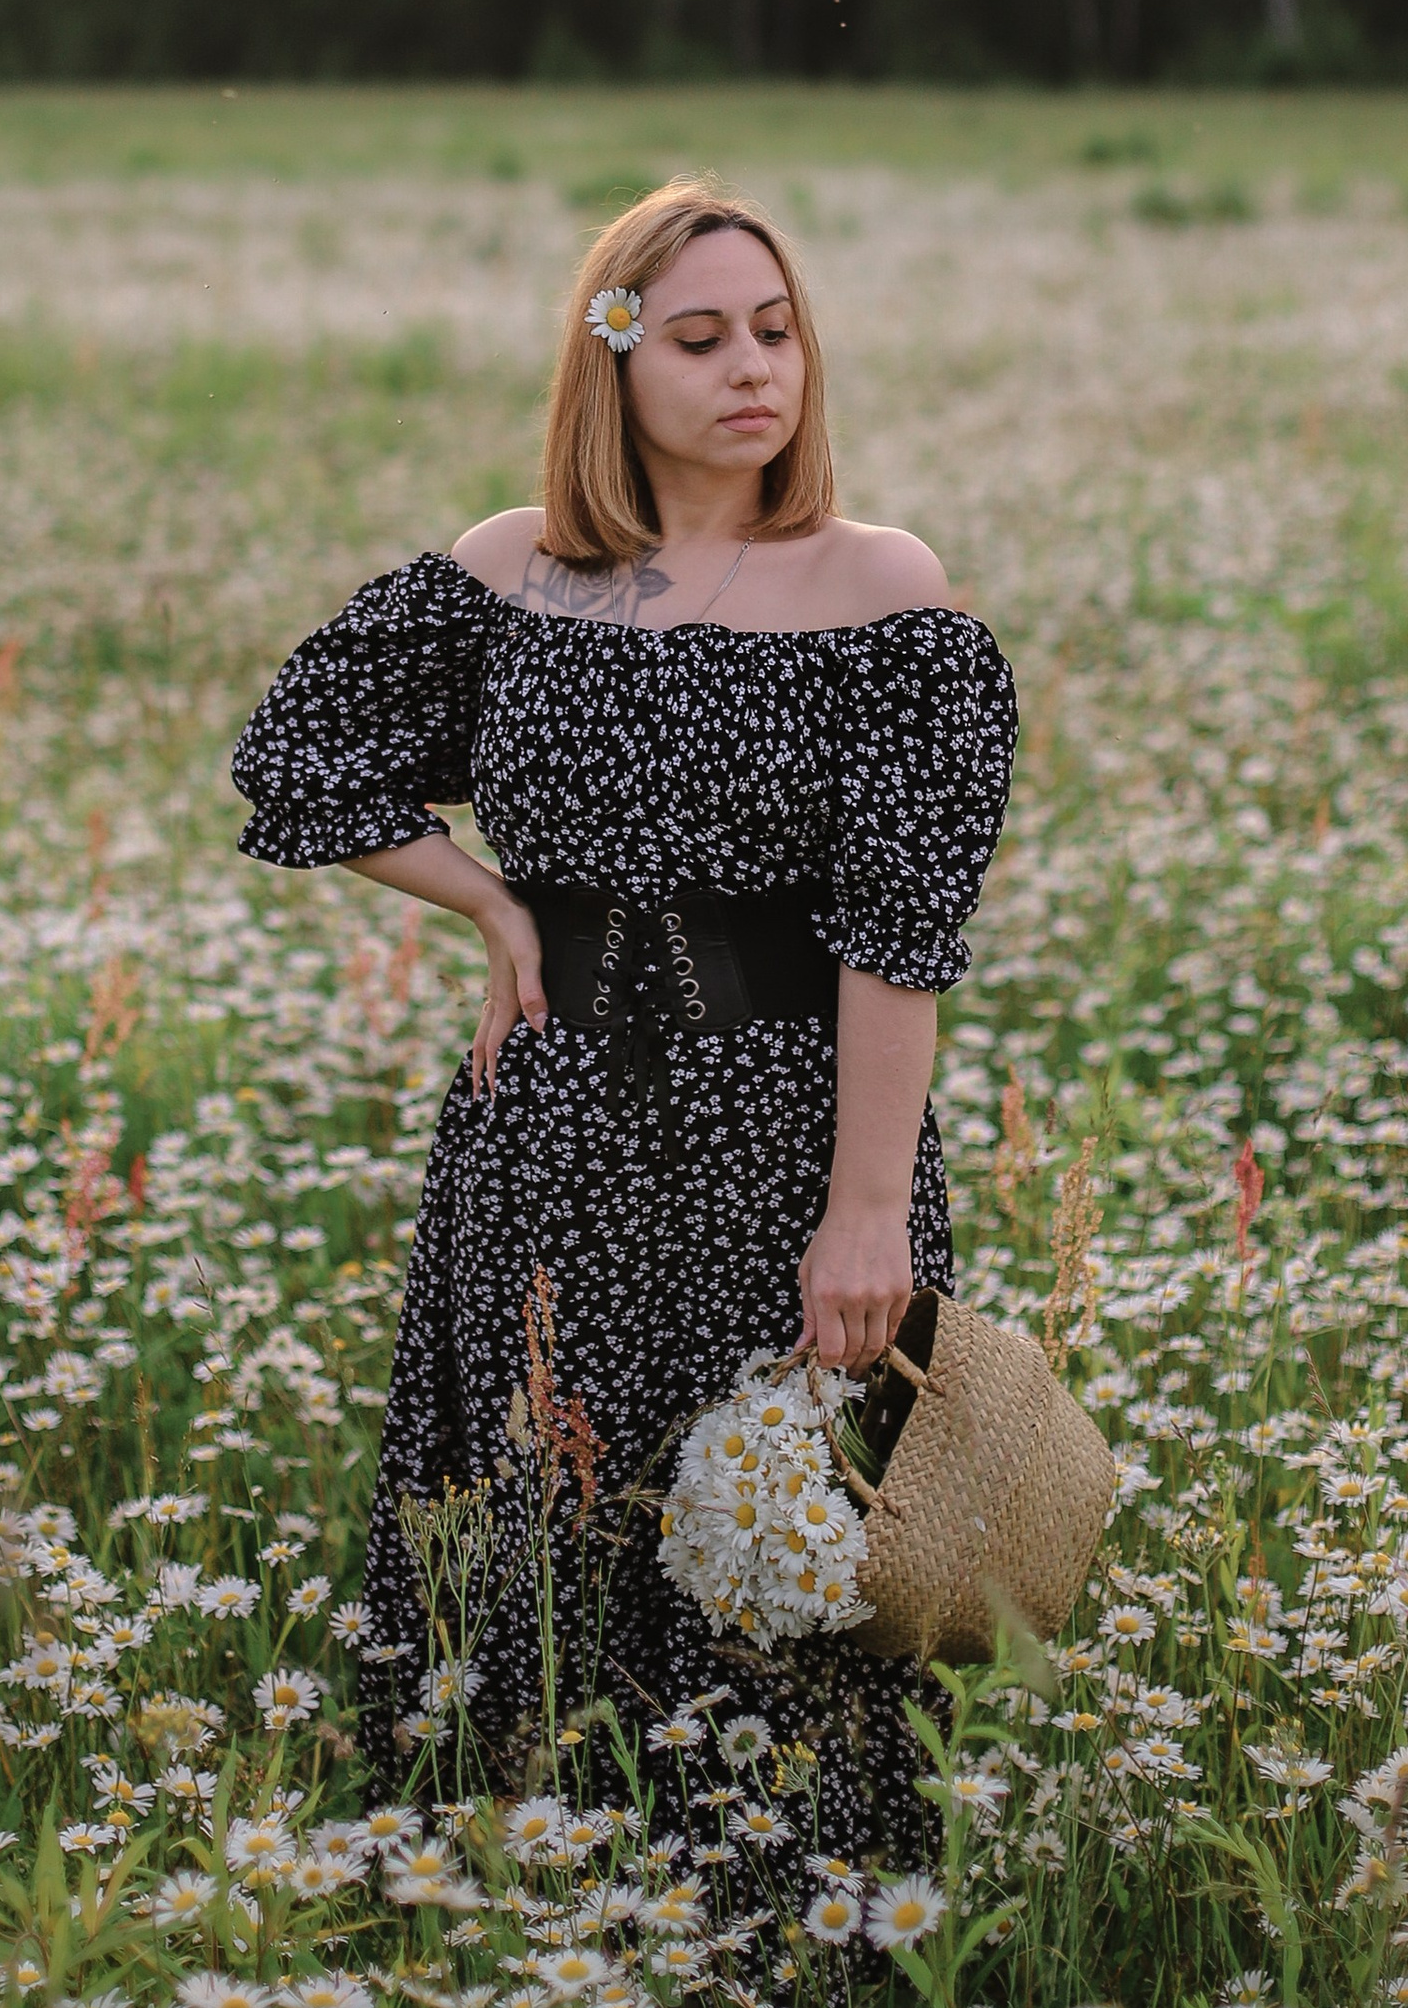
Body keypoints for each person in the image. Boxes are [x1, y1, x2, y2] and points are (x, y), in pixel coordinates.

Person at [231, 178, 1017, 1873]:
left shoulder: (880, 589)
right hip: (549, 1140)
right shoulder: (513, 573)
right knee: (546, 1521)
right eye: (702, 339)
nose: (755, 370)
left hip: (786, 1137)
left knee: (790, 1536)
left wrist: (866, 1211)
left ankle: (799, 1933)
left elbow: (899, 934)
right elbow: (295, 760)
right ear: (614, 363)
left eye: (777, 332)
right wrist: (491, 903)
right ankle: (533, 1890)